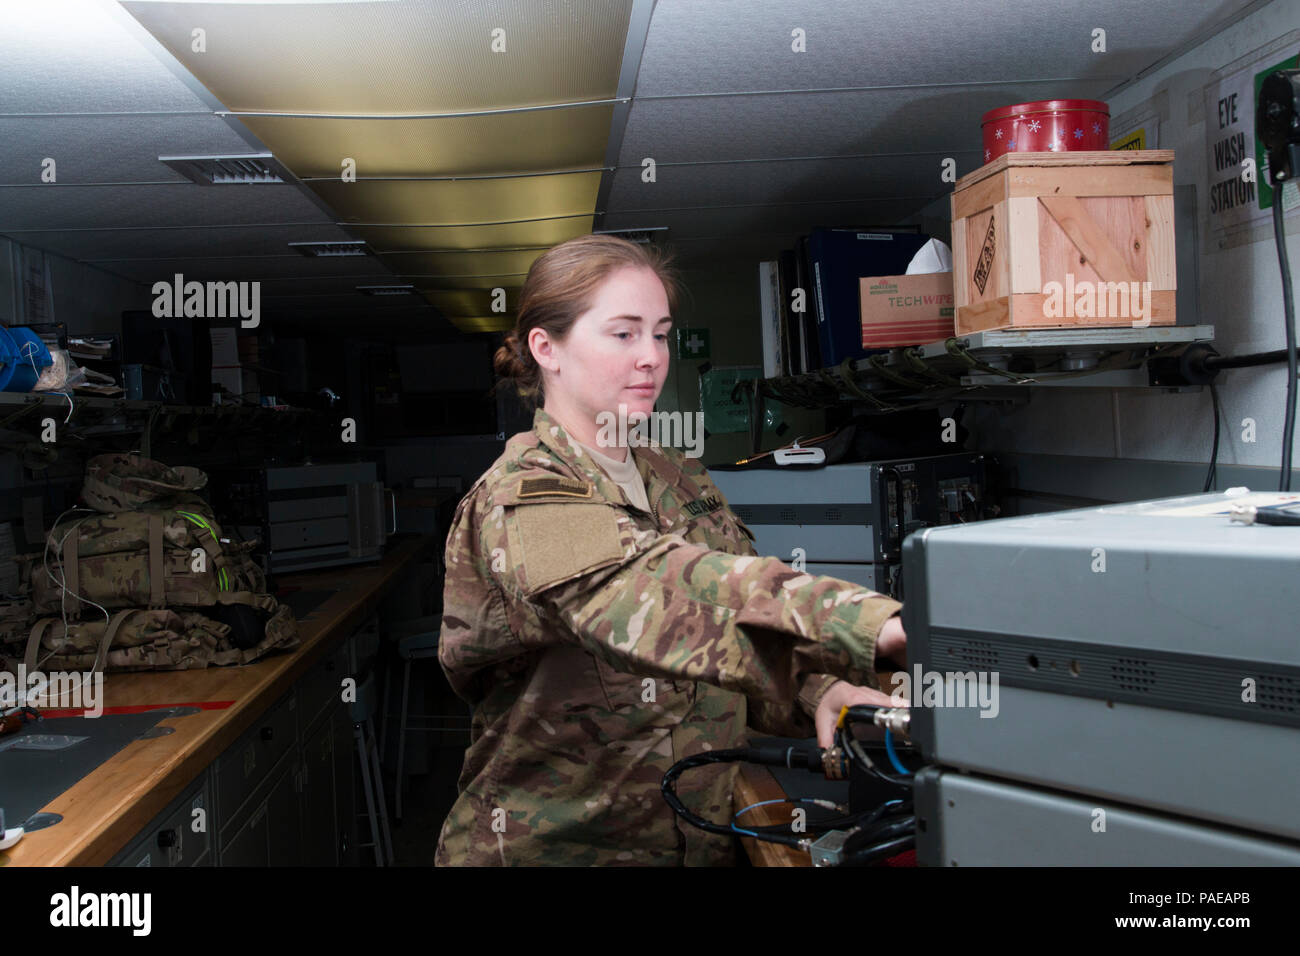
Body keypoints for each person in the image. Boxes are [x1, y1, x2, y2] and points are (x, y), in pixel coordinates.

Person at [435, 235, 907, 866]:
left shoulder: (679, 476)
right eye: (623, 334)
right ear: (546, 349)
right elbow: (652, 596)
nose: (651, 358)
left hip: (690, 843)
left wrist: (817, 692)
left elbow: (717, 645)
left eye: (659, 334)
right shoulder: (523, 498)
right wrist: (868, 622)